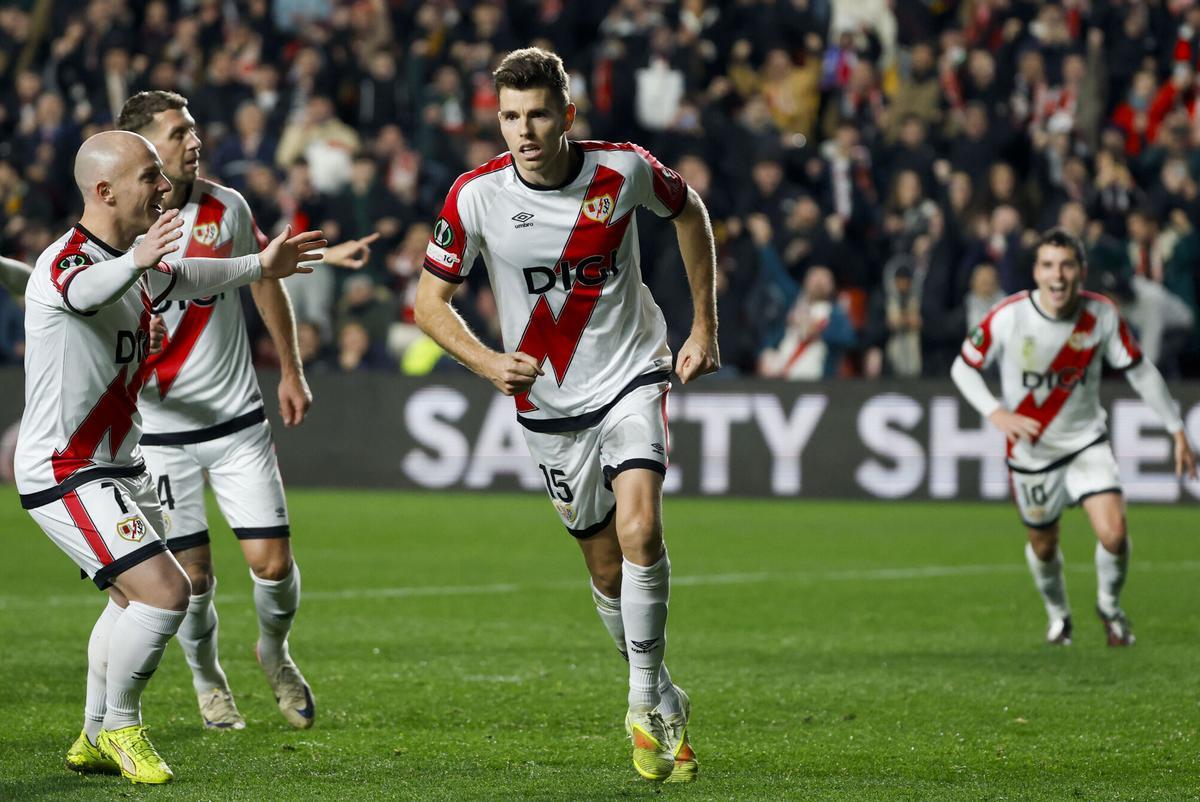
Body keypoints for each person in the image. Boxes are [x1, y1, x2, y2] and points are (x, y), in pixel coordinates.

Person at [414, 48, 717, 783]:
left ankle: (643, 699)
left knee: (640, 528)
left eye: (539, 114)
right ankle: (662, 685)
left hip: (631, 375)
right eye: (511, 116)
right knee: (605, 565)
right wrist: (487, 363)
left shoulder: (624, 169)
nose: (525, 130)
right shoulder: (474, 196)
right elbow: (429, 304)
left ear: (567, 115)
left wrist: (703, 325)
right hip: (547, 405)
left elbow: (691, 213)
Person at [16, 130, 321, 783]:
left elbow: (187, 275)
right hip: (66, 471)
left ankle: (96, 734)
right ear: (104, 192)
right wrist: (133, 263)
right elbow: (82, 293)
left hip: (115, 466)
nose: (163, 189)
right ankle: (123, 728)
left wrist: (260, 266)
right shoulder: (67, 262)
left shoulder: (131, 261)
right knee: (166, 592)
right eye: (149, 176)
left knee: (131, 601)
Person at [115, 90, 377, 731]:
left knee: (273, 565)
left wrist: (290, 368)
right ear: (145, 149)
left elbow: (265, 274)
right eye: (179, 133)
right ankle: (208, 680)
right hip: (162, 436)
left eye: (194, 128)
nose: (194, 140)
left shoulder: (227, 206)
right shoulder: (118, 227)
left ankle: (275, 653)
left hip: (237, 423)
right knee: (194, 579)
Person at [951, 228, 1196, 647]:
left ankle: (1110, 608)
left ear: (1081, 271)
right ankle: (1059, 616)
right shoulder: (1010, 316)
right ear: (1036, 272)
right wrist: (997, 413)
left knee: (1114, 533)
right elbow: (963, 367)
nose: (1058, 276)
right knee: (1044, 547)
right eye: (1048, 265)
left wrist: (1176, 428)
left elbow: (1139, 371)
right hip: (1031, 452)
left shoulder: (1101, 316)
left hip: (1086, 442)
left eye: (1066, 265)